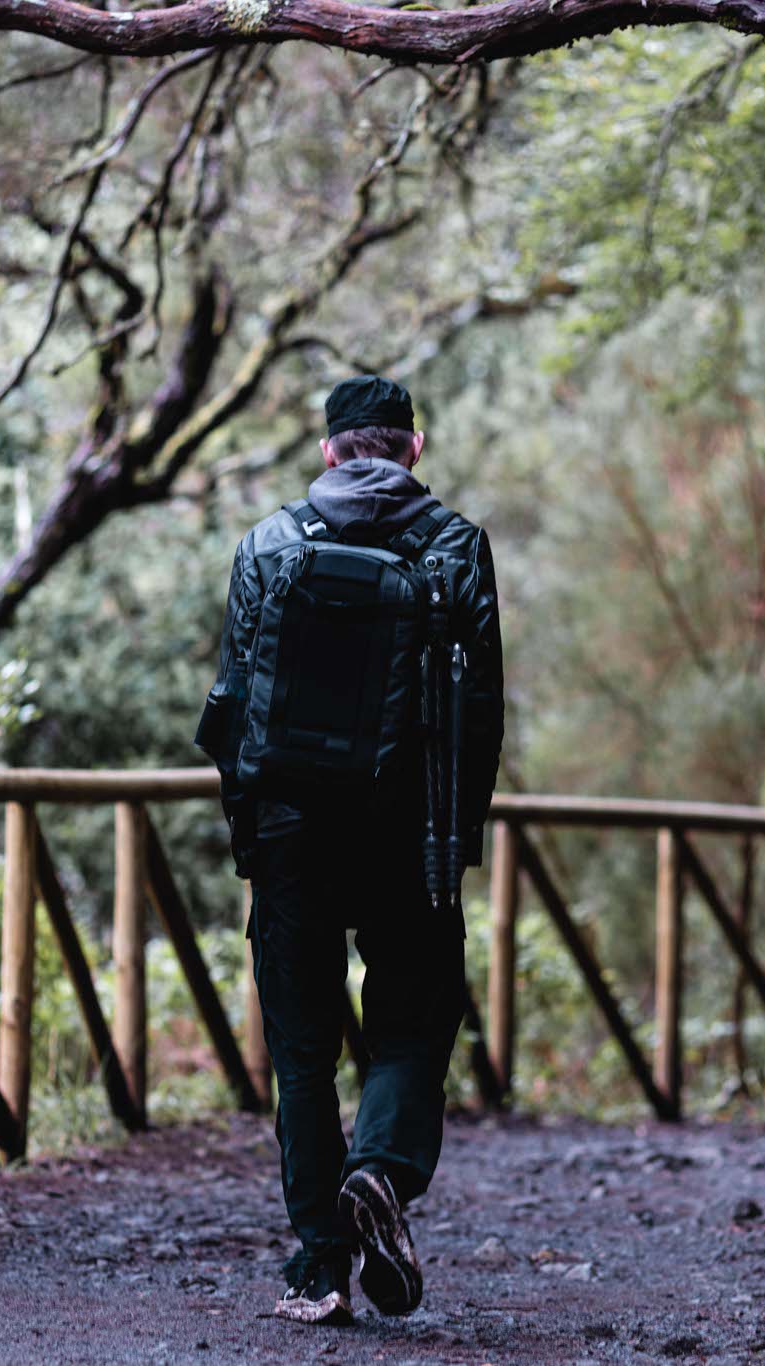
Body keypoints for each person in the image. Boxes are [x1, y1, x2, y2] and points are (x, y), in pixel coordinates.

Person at [195, 376, 504, 1326]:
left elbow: (232, 702)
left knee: (300, 1048)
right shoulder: (455, 545)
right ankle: (379, 1172)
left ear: (330, 452)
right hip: (409, 830)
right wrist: (457, 843)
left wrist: (253, 833)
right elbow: (481, 711)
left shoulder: (268, 544)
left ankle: (319, 1267)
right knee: (412, 1021)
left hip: (290, 830)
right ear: (413, 449)